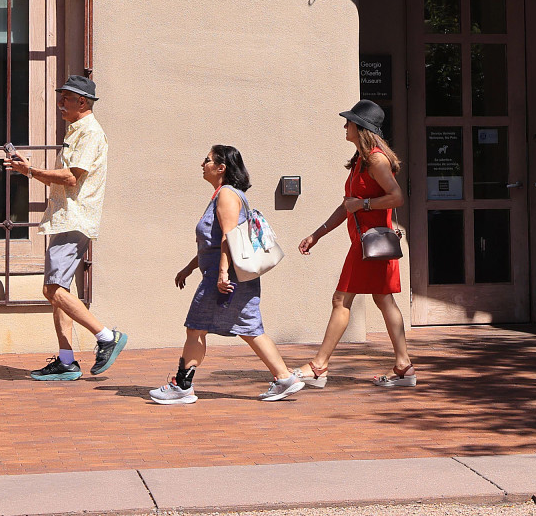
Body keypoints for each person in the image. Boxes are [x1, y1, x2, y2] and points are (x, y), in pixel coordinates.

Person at [148, 145, 306, 404]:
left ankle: (182, 386)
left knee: (196, 328)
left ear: (221, 168)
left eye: (207, 160)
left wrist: (222, 274)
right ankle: (285, 378)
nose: (202, 164)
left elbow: (227, 238)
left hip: (224, 278)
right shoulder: (224, 195)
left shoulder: (227, 196)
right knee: (250, 328)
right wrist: (189, 267)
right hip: (231, 276)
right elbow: (212, 242)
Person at [4, 75, 130, 380]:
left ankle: (106, 337)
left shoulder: (89, 132)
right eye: (61, 97)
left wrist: (30, 171)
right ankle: (66, 359)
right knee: (59, 291)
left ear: (82, 102)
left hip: (74, 220)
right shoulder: (77, 131)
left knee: (53, 289)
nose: (60, 104)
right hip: (65, 218)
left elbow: (72, 178)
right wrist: (29, 168)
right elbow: (64, 176)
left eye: (66, 99)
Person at [295, 100, 415, 387]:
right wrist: (317, 234)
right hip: (365, 244)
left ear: (361, 128)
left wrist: (364, 203)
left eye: (348, 122)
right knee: (383, 299)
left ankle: (319, 365)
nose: (344, 126)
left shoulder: (376, 160)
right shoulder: (361, 160)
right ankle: (403, 366)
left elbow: (397, 197)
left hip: (371, 244)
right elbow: (347, 206)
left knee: (342, 300)